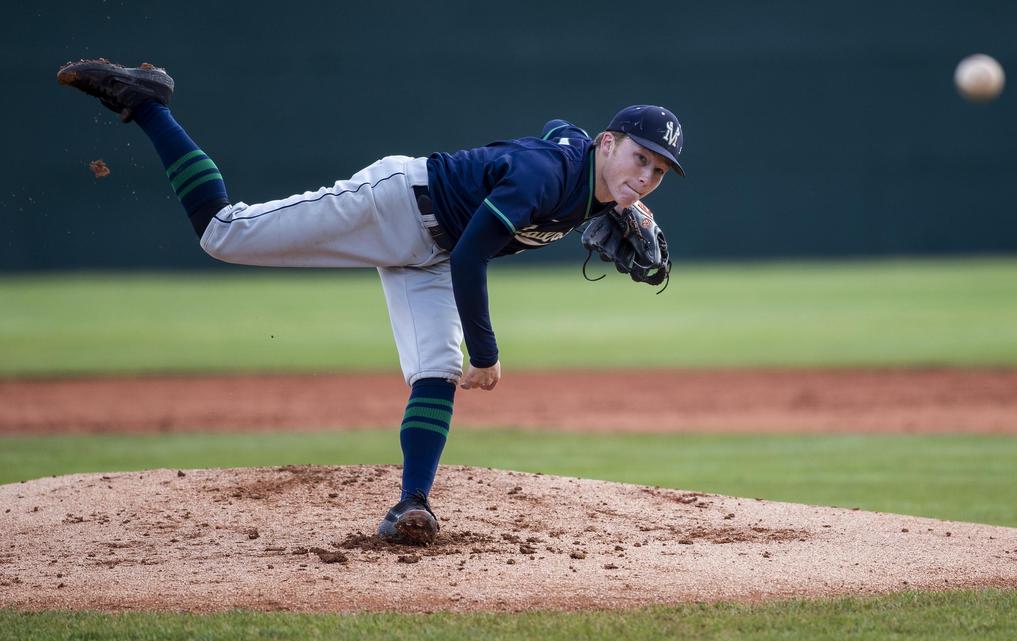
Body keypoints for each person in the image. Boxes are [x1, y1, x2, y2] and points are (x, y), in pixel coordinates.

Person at [57, 58, 685, 545]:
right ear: (609, 144)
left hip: (430, 250)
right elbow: (471, 255)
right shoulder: (548, 177)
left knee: (435, 368)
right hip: (396, 204)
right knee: (224, 233)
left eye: (658, 172)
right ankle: (147, 103)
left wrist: (598, 179)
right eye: (639, 157)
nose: (646, 176)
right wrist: (488, 353)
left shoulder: (584, 167)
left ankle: (412, 505)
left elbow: (559, 128)